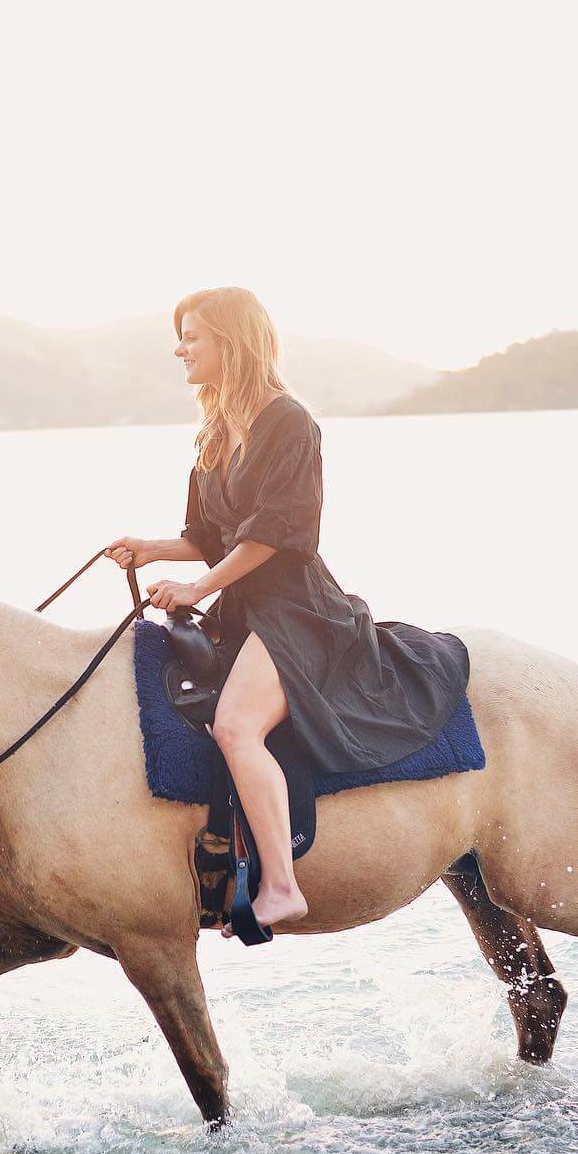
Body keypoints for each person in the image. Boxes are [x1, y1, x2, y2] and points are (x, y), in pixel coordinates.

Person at [105, 287, 470, 942]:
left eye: (193, 335)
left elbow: (275, 534)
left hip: (299, 610)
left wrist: (196, 589)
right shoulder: (216, 432)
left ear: (231, 341)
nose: (179, 348)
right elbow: (209, 535)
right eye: (180, 335)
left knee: (237, 726)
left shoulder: (289, 423)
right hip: (245, 605)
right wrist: (150, 548)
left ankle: (279, 885)